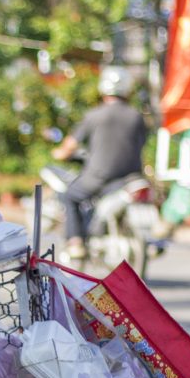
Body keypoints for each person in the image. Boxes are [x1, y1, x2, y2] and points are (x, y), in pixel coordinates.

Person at [51, 66, 148, 259]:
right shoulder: (136, 117)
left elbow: (70, 145)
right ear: (128, 89)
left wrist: (59, 153)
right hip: (130, 177)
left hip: (99, 177)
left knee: (69, 195)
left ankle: (76, 242)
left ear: (103, 88)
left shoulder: (94, 115)